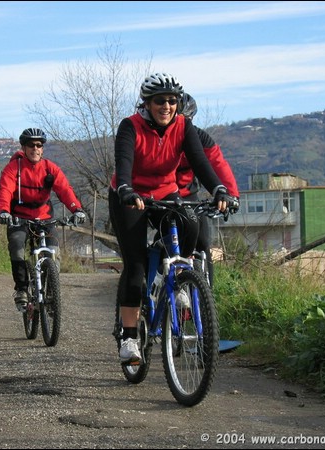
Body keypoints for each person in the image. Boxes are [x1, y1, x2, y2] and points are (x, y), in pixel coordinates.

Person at [109, 72, 237, 364]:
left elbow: (200, 162)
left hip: (166, 193)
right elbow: (124, 162)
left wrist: (219, 188)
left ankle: (180, 278)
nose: (166, 106)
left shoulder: (183, 126)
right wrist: (127, 190)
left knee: (190, 221)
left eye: (171, 101)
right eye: (159, 101)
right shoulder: (130, 126)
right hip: (130, 196)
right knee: (137, 265)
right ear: (147, 103)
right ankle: (129, 337)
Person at [0, 128, 86, 312]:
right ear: (23, 147)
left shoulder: (50, 169)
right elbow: (5, 189)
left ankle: (51, 291)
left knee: (53, 253)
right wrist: (4, 211)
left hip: (44, 216)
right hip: (19, 217)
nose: (35, 149)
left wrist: (77, 209)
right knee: (17, 248)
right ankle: (21, 289)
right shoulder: (14, 168)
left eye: (39, 145)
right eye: (31, 145)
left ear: (42, 148)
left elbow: (64, 190)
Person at [176, 93, 240, 287]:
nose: (181, 125)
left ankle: (207, 297)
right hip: (162, 196)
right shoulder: (160, 138)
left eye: (186, 120)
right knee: (167, 243)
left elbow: (218, 164)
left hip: (188, 195)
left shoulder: (200, 138)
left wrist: (232, 195)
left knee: (203, 243)